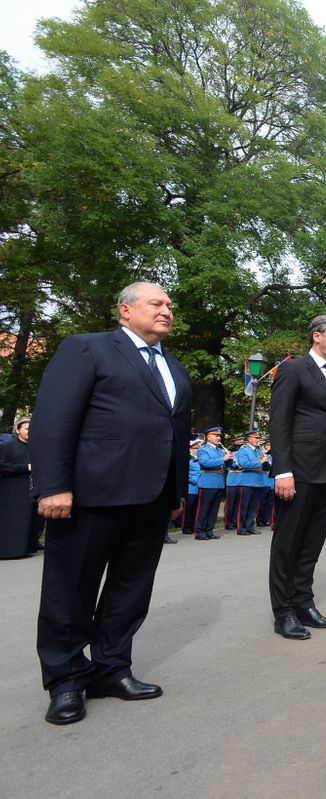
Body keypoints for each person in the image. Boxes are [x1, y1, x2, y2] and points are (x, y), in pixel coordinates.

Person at [31, 281, 192, 725]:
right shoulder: (88, 349)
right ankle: (65, 681)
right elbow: (54, 418)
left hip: (153, 499)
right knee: (71, 591)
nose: (166, 311)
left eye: (169, 305)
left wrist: (175, 492)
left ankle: (111, 669)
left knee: (130, 591)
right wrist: (52, 485)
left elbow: (175, 433)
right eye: (156, 303)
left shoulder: (174, 368)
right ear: (125, 311)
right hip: (90, 497)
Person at [267, 314, 326, 640]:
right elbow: (279, 422)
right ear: (317, 336)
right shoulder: (293, 369)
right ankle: (284, 612)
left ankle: (304, 603)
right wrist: (283, 470)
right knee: (288, 544)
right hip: (299, 471)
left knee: (312, 543)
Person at [0, 416, 36, 558]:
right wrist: (25, 467)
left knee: (25, 520)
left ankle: (24, 549)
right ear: (18, 430)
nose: (30, 431)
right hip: (10, 489)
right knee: (10, 520)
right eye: (27, 428)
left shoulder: (35, 447)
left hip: (29, 488)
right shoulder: (6, 447)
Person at [194, 426, 231, 540]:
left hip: (219, 482)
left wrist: (230, 460)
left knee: (214, 509)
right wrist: (223, 459)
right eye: (216, 435)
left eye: (219, 436)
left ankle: (209, 530)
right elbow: (206, 463)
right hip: (207, 482)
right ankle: (200, 531)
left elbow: (227, 466)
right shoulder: (203, 449)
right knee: (204, 508)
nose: (218, 438)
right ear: (208, 437)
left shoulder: (220, 450)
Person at [234, 430, 268, 535]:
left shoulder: (258, 450)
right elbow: (244, 464)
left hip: (258, 481)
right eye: (256, 438)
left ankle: (250, 526)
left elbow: (263, 465)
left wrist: (267, 463)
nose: (258, 440)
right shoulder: (243, 450)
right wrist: (260, 462)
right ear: (249, 439)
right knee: (244, 506)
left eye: (258, 438)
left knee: (253, 507)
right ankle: (241, 528)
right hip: (247, 481)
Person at [181, 439, 201, 538]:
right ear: (191, 449)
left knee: (196, 509)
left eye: (198, 448)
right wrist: (195, 480)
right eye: (195, 448)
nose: (197, 450)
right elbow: (186, 473)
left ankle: (194, 526)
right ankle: (186, 527)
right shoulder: (188, 459)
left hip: (200, 487)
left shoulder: (200, 459)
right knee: (188, 509)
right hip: (191, 487)